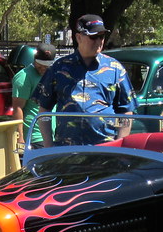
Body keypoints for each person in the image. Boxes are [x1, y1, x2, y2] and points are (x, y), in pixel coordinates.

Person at [36, 14, 133, 145]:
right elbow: (44, 110)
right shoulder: (58, 68)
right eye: (93, 37)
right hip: (66, 151)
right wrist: (48, 145)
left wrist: (120, 146)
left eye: (102, 36)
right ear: (78, 37)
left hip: (105, 150)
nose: (99, 41)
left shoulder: (115, 69)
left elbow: (126, 111)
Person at [12, 43, 54, 148]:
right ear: (34, 59)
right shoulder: (23, 77)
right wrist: (20, 137)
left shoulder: (52, 74)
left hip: (52, 135)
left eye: (47, 65)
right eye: (40, 65)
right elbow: (17, 108)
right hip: (35, 137)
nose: (43, 68)